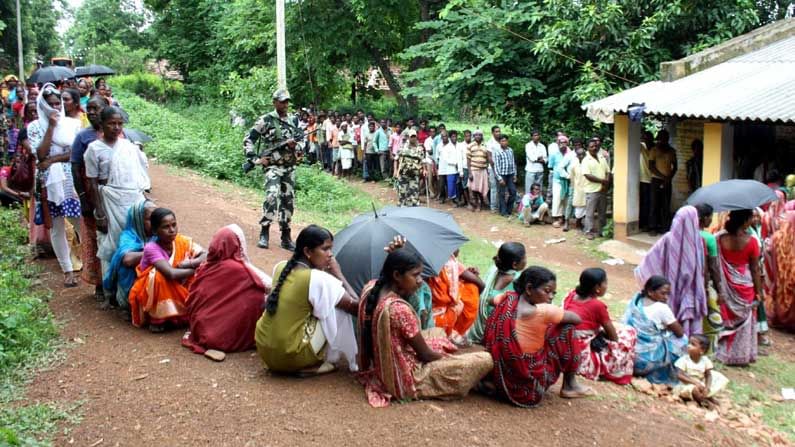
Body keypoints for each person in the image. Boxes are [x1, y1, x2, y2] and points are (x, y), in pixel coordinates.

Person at [357, 249, 493, 407]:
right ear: (396, 275)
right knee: (484, 359)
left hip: (381, 366)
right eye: (415, 275)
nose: (420, 280)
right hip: (405, 378)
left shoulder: (371, 288)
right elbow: (426, 355)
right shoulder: (399, 310)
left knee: (438, 333)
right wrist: (451, 361)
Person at [254, 225, 359, 375]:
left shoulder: (281, 267)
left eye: (331, 249)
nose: (330, 255)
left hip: (265, 349)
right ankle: (308, 365)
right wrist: (338, 274)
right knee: (333, 306)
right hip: (291, 356)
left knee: (325, 299)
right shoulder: (317, 279)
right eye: (325, 249)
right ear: (308, 252)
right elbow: (356, 307)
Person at [483, 266, 592, 407]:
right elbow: (576, 319)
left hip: (502, 374)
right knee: (567, 328)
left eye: (553, 293)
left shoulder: (508, 299)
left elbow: (491, 300)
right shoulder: (545, 311)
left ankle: (493, 383)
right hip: (529, 384)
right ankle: (570, 385)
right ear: (529, 289)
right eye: (547, 291)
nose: (551, 297)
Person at [85, 106, 151, 306]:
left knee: (136, 242)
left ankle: (133, 290)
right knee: (110, 245)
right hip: (109, 202)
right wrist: (100, 212)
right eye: (111, 123)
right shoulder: (94, 149)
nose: (116, 127)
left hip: (131, 200)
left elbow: (140, 176)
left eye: (119, 123)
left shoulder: (128, 147)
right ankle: (110, 292)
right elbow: (92, 183)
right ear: (102, 125)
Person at [182, 224, 272, 359]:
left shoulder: (206, 266)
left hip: (199, 329)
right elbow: (268, 284)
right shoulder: (237, 269)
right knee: (259, 297)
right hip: (220, 338)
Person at [28, 83, 83, 287]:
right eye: (50, 104)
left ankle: (90, 262)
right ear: (43, 105)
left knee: (80, 222)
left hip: (71, 180)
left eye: (57, 104)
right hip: (48, 183)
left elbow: (74, 153)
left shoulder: (72, 124)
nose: (55, 108)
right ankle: (67, 270)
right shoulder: (34, 127)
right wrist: (50, 127)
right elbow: (40, 153)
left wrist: (52, 160)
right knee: (57, 225)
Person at [243, 89, 304, 251]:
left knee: (288, 201)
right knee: (272, 195)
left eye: (287, 102)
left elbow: (301, 140)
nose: (285, 105)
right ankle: (264, 232)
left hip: (289, 167)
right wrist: (255, 159)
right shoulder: (266, 120)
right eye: (282, 101)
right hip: (273, 166)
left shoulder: (294, 121)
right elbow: (249, 139)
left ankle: (285, 236)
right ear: (274, 102)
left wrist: (297, 147)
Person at [635, 206, 707, 336]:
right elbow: (702, 268)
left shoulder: (669, 239)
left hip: (670, 289)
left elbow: (648, 264)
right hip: (690, 290)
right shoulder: (697, 241)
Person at [563, 268, 636, 385]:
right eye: (605, 282)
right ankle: (616, 369)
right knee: (629, 333)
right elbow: (613, 337)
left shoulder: (571, 295)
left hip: (564, 344)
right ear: (597, 288)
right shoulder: (597, 306)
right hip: (580, 352)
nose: (606, 286)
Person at [71, 96, 109, 299]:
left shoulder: (115, 133)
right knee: (95, 239)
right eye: (89, 108)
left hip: (112, 193)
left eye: (97, 108)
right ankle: (100, 284)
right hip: (91, 193)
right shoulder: (83, 137)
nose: (92, 112)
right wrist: (84, 198)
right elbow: (76, 168)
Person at [715, 209, 762, 366]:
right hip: (745, 285)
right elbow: (755, 269)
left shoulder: (719, 238)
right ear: (745, 221)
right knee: (745, 322)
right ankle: (741, 355)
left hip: (726, 284)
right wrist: (759, 292)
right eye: (750, 218)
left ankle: (723, 352)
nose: (752, 221)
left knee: (727, 317)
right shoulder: (752, 242)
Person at [623, 275, 688, 384]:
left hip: (627, 358)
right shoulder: (661, 308)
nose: (666, 297)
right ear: (650, 292)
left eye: (668, 294)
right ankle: (670, 374)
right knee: (683, 341)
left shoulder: (636, 301)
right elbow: (680, 333)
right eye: (663, 293)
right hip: (644, 363)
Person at [467, 242, 526, 344]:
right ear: (515, 264)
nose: (526, 261)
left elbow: (484, 294)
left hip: (478, 328)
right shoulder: (519, 280)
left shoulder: (493, 270)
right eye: (524, 258)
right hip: (493, 331)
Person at [103, 199, 157, 310]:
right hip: (133, 283)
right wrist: (155, 253)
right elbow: (127, 260)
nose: (155, 222)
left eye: (156, 218)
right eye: (149, 219)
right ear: (138, 220)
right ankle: (129, 302)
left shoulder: (159, 234)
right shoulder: (128, 236)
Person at [428, 250, 484, 342]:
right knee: (472, 288)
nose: (459, 249)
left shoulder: (426, 260)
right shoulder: (451, 264)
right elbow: (481, 284)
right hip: (441, 316)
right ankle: (455, 332)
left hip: (430, 314)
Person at [674, 334, 729, 408]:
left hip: (700, 383)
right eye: (689, 343)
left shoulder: (705, 361)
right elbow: (679, 375)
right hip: (687, 385)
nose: (689, 346)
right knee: (695, 390)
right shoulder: (684, 360)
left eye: (693, 344)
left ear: (702, 350)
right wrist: (695, 382)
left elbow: (708, 375)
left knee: (718, 378)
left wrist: (707, 387)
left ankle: (707, 396)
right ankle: (704, 401)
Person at [767, 211, 795, 330]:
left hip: (781, 275)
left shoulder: (777, 237)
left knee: (781, 294)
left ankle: (781, 319)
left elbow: (769, 251)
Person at [648, 130, 677, 234]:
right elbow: (651, 166)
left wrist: (668, 178)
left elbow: (675, 167)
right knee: (654, 204)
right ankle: (653, 227)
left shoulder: (671, 151)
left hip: (667, 180)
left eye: (665, 137)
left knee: (666, 205)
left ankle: (664, 227)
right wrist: (663, 177)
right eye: (662, 137)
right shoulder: (654, 150)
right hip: (656, 180)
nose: (664, 139)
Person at [581, 138, 611, 240]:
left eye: (595, 146)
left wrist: (605, 184)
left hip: (602, 189)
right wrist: (603, 181)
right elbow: (588, 175)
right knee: (590, 212)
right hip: (592, 190)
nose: (594, 148)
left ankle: (602, 230)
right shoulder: (586, 160)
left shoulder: (602, 157)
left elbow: (608, 171)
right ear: (587, 148)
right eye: (591, 146)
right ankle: (588, 231)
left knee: (602, 212)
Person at [548, 136, 574, 228]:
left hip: (568, 180)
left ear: (567, 144)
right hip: (557, 180)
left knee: (566, 199)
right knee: (557, 198)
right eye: (560, 143)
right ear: (558, 144)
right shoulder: (554, 154)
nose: (562, 145)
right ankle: (556, 217)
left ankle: (563, 217)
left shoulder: (571, 153)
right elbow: (550, 166)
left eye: (564, 143)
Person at [396, 130, 425, 207]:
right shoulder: (403, 147)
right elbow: (397, 159)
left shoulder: (420, 148)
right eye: (411, 137)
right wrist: (396, 171)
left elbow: (422, 161)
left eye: (414, 136)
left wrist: (424, 170)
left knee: (414, 193)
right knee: (402, 193)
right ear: (408, 137)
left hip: (414, 174)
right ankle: (401, 209)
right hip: (404, 173)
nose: (413, 138)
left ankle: (414, 209)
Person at [493, 135, 517, 217]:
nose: (504, 142)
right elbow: (495, 166)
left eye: (505, 141)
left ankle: (509, 209)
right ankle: (503, 211)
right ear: (499, 142)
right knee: (502, 194)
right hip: (502, 175)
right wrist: (499, 178)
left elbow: (513, 163)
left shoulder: (510, 150)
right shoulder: (497, 151)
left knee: (513, 192)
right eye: (502, 141)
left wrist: (515, 174)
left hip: (510, 174)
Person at [466, 129, 489, 212]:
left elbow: (487, 159)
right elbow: (468, 160)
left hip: (482, 170)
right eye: (476, 135)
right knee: (474, 189)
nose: (478, 136)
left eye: (479, 135)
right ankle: (475, 204)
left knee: (481, 189)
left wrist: (487, 170)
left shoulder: (485, 145)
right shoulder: (470, 146)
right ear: (474, 136)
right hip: (474, 170)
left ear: (482, 136)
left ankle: (480, 204)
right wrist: (469, 172)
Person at [567, 148, 587, 232]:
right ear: (577, 156)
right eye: (579, 154)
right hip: (577, 189)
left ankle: (581, 223)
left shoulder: (588, 163)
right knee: (579, 208)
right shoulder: (573, 165)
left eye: (583, 154)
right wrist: (573, 188)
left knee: (587, 207)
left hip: (587, 188)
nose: (581, 156)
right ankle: (576, 222)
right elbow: (571, 178)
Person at [437, 131, 459, 204]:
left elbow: (454, 157)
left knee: (451, 184)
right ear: (441, 137)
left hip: (451, 168)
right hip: (442, 168)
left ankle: (453, 199)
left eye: (446, 136)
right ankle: (442, 198)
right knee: (441, 184)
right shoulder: (439, 146)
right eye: (443, 136)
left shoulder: (451, 146)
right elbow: (437, 157)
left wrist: (455, 164)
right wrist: (437, 167)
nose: (445, 137)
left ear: (448, 137)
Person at [639, 131, 654, 231]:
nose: (646, 140)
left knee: (651, 204)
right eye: (644, 138)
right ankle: (642, 223)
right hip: (643, 179)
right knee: (643, 202)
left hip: (653, 180)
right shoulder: (641, 147)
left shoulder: (655, 149)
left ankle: (649, 223)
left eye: (648, 138)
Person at [524, 130, 546, 195]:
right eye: (535, 135)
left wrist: (539, 159)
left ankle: (537, 203)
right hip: (531, 170)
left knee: (539, 189)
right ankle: (528, 204)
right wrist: (539, 158)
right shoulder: (528, 145)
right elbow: (531, 158)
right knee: (529, 189)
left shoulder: (542, 146)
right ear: (532, 137)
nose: (536, 137)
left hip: (540, 170)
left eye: (537, 135)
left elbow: (545, 159)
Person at [486, 126, 501, 213]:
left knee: (500, 188)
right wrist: (494, 169)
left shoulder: (501, 141)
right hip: (493, 168)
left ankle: (499, 205)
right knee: (494, 188)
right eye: (496, 131)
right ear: (492, 133)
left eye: (499, 131)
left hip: (501, 169)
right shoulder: (490, 142)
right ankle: (493, 207)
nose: (498, 133)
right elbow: (489, 157)